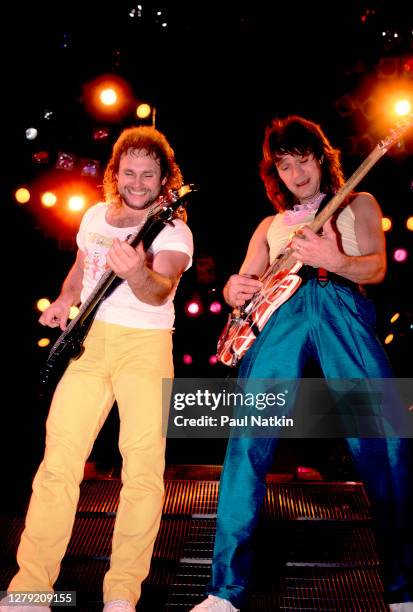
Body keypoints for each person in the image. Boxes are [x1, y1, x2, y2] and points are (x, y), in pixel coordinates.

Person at [190, 116, 412, 611]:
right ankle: (223, 592)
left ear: (321, 158)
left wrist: (332, 259)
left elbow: (376, 267)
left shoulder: (359, 203)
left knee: (388, 437)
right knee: (247, 439)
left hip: (339, 302)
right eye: (284, 166)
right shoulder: (269, 226)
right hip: (280, 317)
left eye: (302, 160)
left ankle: (404, 590)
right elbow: (242, 284)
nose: (295, 173)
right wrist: (233, 288)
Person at [0, 126, 193, 612]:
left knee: (143, 469)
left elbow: (161, 290)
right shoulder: (93, 215)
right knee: (58, 464)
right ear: (115, 173)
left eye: (149, 174)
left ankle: (122, 595)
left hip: (145, 347)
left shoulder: (173, 229)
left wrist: (136, 271)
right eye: (129, 172)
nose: (138, 182)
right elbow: (82, 266)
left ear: (163, 178)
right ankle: (32, 590)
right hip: (88, 344)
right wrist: (66, 299)